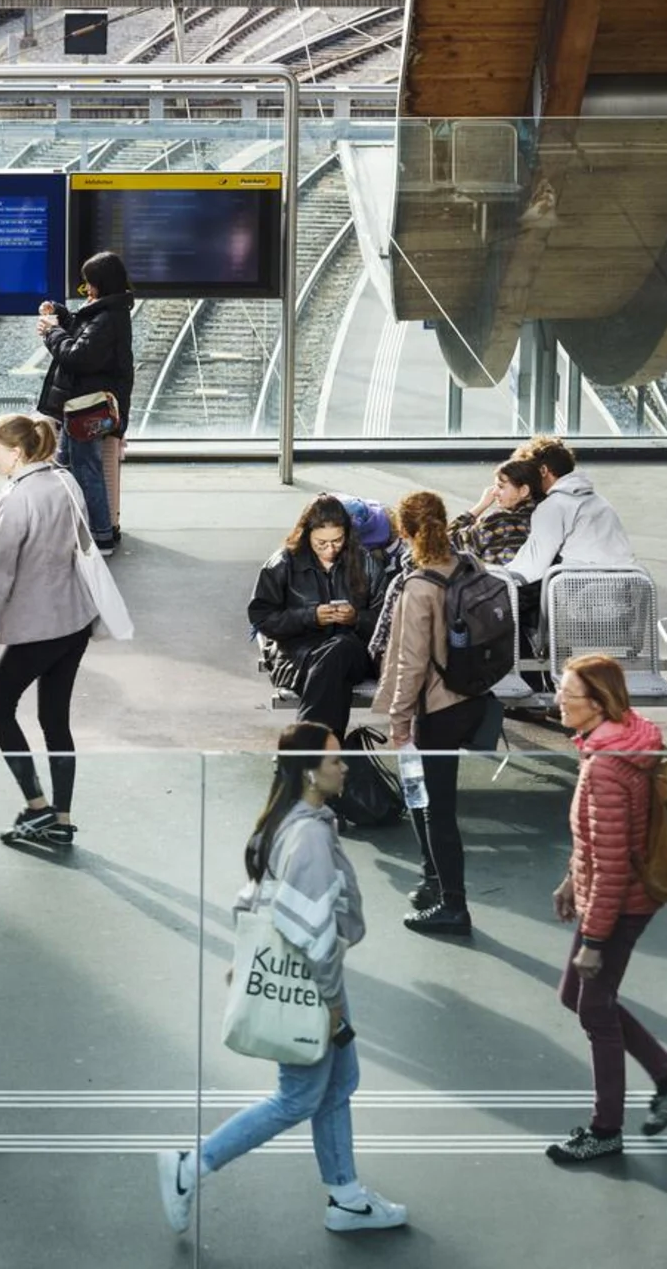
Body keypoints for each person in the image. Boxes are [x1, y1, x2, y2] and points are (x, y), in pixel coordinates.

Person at [158, 722, 406, 1236]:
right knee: (296, 1097)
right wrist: (334, 1004)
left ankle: (347, 1198)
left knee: (339, 1083)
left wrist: (245, 957)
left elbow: (254, 897)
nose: (345, 767)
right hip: (313, 988)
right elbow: (312, 932)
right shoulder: (311, 835)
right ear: (311, 772)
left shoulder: (285, 819)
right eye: (336, 760)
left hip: (301, 981)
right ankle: (190, 1168)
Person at [546, 654, 667, 1164]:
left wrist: (593, 941)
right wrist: (572, 877)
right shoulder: (619, 739)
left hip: (618, 901)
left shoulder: (607, 769)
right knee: (578, 995)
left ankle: (606, 1129)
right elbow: (597, 842)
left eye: (566, 695)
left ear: (595, 703)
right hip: (611, 892)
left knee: (593, 1006)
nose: (558, 702)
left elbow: (611, 864)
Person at [0, 414, 99, 846]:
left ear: (18, 452)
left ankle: (37, 806)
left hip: (39, 626)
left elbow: (0, 575)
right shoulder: (67, 483)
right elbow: (85, 546)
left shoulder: (17, 499)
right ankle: (61, 819)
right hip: (76, 619)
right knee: (54, 719)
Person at [373, 492, 496, 937]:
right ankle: (432, 882)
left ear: (403, 533)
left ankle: (453, 906)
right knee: (428, 801)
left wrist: (398, 720)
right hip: (472, 700)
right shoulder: (469, 566)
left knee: (435, 810)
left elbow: (410, 663)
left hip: (436, 710)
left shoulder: (417, 587)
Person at [249, 495, 387, 740]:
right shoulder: (282, 563)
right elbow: (263, 618)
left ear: (347, 535)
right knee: (332, 669)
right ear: (306, 535)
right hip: (298, 656)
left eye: (337, 541)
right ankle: (322, 752)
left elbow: (386, 620)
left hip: (351, 651)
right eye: (321, 543)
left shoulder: (365, 563)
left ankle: (307, 751)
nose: (330, 549)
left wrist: (356, 618)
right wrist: (309, 617)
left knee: (339, 650)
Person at [36, 250, 134, 555]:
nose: (86, 288)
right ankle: (76, 529)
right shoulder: (109, 311)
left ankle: (101, 536)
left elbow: (78, 356)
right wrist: (63, 315)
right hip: (79, 407)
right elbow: (84, 335)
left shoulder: (106, 318)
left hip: (84, 408)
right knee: (66, 466)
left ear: (101, 283)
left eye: (89, 283)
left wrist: (52, 332)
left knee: (85, 470)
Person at [501, 435, 635, 584]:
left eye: (530, 474)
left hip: (583, 592)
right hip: (630, 587)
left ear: (543, 470)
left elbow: (532, 567)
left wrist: (495, 579)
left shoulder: (553, 506)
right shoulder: (600, 502)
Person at [451, 457, 545, 566]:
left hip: (497, 581)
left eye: (501, 487)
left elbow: (447, 542)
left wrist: (481, 505)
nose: (494, 492)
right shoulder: (546, 516)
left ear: (524, 491)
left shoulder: (497, 522)